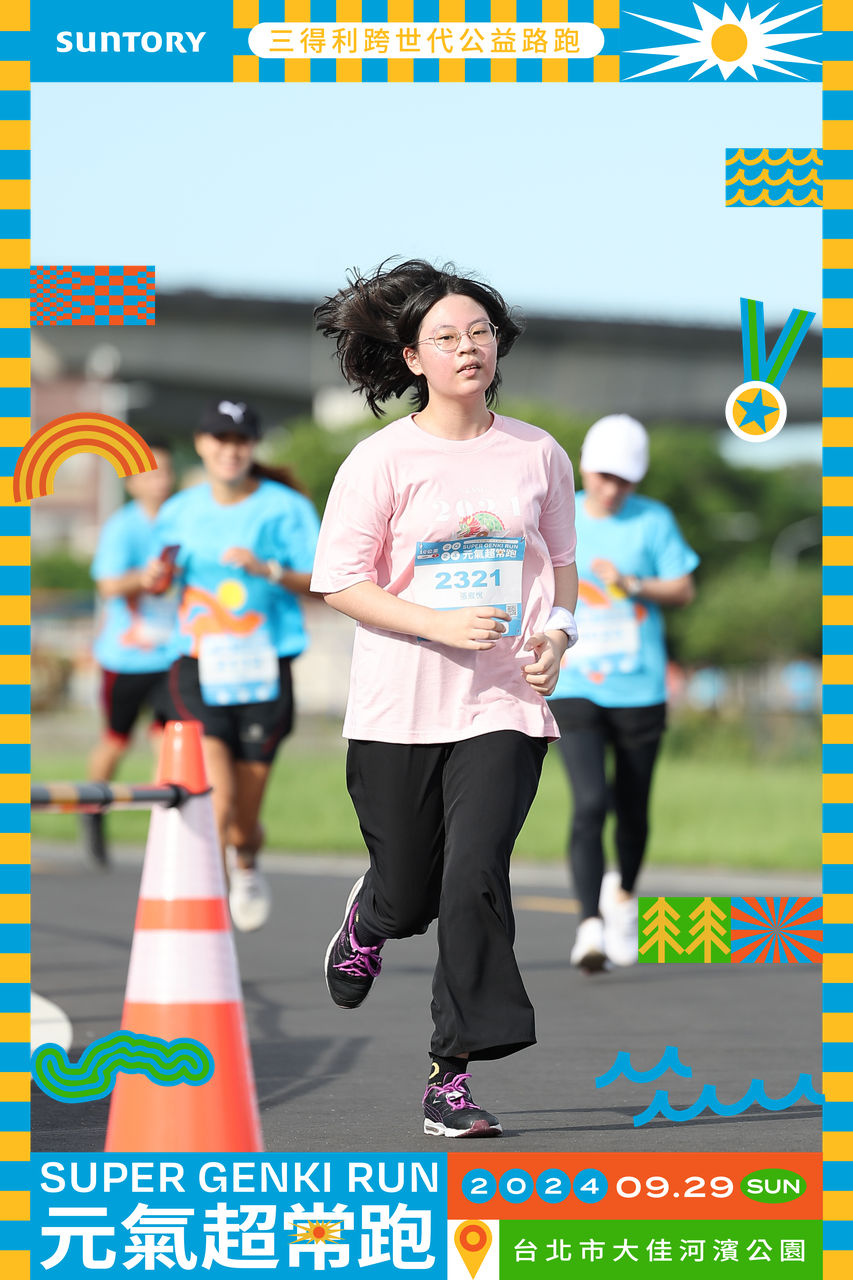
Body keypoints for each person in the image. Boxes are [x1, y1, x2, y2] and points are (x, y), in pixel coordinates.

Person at [310, 259, 578, 1138]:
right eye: (446, 337)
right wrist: (436, 623)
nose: (468, 348)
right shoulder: (380, 459)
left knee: (472, 879)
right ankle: (370, 919)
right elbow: (339, 580)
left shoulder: (537, 453)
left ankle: (449, 1077)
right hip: (399, 707)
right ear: (412, 358)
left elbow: (562, 570)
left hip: (502, 705)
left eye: (479, 333)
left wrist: (556, 639)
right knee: (409, 894)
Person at [155, 399, 320, 931]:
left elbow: (324, 581)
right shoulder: (178, 510)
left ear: (253, 447)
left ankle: (245, 861)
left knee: (242, 824)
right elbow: (161, 577)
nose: (231, 451)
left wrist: (266, 568)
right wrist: (157, 579)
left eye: (241, 441)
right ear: (201, 444)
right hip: (198, 664)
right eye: (220, 440)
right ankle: (205, 927)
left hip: (263, 668)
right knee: (217, 801)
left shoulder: (285, 508)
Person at [549, 415, 699, 972]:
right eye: (604, 476)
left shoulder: (653, 520)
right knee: (591, 803)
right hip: (576, 684)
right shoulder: (560, 516)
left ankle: (623, 897)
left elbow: (683, 588)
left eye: (625, 480)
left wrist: (632, 584)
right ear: (585, 467)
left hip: (640, 687)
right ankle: (589, 926)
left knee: (633, 807)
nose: (613, 488)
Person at [84, 442, 179, 866]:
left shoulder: (181, 520)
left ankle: (169, 833)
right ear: (132, 482)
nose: (161, 481)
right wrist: (144, 577)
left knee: (171, 740)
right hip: (125, 657)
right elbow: (108, 585)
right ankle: (91, 812)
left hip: (172, 654)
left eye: (167, 472)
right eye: (152, 473)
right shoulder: (122, 527)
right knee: (116, 740)